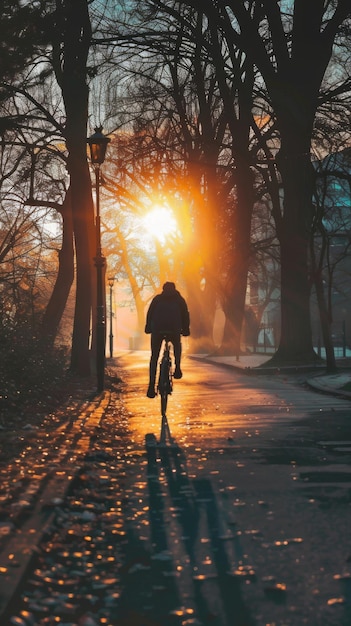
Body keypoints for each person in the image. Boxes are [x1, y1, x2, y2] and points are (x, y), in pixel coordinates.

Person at [145, 281, 190, 398]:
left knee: (154, 356)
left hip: (158, 330)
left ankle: (151, 386)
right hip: (174, 329)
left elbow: (150, 314)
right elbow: (185, 315)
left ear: (163, 289)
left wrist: (148, 327)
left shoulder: (157, 299)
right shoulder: (179, 300)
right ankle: (178, 368)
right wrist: (185, 330)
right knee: (177, 344)